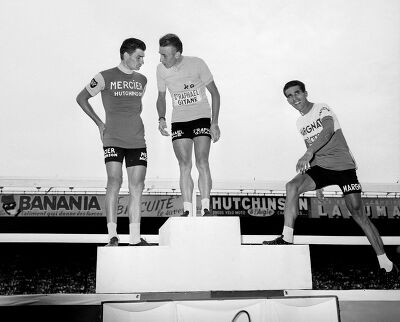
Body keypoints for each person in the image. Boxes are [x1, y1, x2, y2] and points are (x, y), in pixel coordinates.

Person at [263, 80, 398, 275]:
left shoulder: (321, 108)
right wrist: (318, 184)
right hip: (321, 168)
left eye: (297, 93)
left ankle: (386, 264)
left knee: (358, 214)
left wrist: (308, 153)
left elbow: (327, 132)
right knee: (291, 186)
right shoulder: (300, 122)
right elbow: (313, 146)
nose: (294, 99)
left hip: (344, 168)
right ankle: (287, 236)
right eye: (289, 96)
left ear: (305, 93)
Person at [76, 38, 149, 246]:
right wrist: (99, 123)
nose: (142, 61)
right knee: (114, 181)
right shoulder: (103, 76)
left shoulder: (143, 80)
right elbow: (81, 98)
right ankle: (113, 236)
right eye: (138, 57)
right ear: (125, 55)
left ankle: (135, 238)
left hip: (137, 140)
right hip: (113, 139)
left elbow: (136, 107)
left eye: (143, 57)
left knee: (137, 187)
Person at [156, 34, 220, 216]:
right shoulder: (160, 70)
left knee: (202, 161)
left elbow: (215, 94)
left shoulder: (197, 63)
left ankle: (206, 208)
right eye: (159, 54)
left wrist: (214, 123)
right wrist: (161, 118)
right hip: (179, 120)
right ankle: (186, 209)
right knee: (184, 164)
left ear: (177, 54)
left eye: (165, 55)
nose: (161, 59)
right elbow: (161, 97)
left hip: (201, 117)